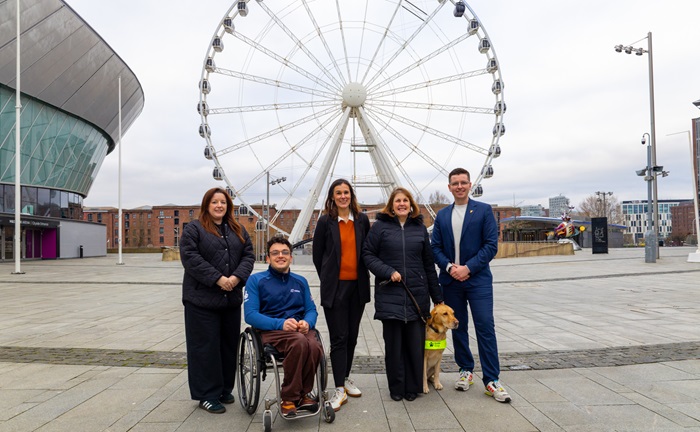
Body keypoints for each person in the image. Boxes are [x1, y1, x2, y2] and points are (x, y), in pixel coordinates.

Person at [430, 168, 511, 403]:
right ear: (449, 187)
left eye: (463, 182)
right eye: (455, 183)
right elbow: (435, 248)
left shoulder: (484, 211)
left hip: (478, 280)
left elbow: (490, 245)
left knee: (485, 326)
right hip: (450, 280)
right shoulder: (443, 215)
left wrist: (468, 268)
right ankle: (465, 370)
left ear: (470, 184)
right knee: (458, 326)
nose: (459, 186)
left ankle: (491, 379)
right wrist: (450, 268)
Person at [363, 187, 443, 402]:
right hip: (390, 293)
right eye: (397, 201)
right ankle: (396, 388)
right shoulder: (380, 228)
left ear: (411, 205)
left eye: (405, 201)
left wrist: (437, 296)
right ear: (391, 204)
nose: (401, 204)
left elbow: (428, 264)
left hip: (417, 296)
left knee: (415, 345)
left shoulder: (419, 229)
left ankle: (413, 386)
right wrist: (388, 271)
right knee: (394, 346)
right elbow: (368, 255)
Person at [180, 187, 255, 414]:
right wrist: (218, 279)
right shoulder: (194, 229)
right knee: (205, 347)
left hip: (230, 300)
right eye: (215, 202)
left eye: (223, 202)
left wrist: (235, 278)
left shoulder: (238, 229)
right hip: (201, 300)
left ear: (228, 206)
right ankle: (206, 394)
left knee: (227, 346)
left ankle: (224, 388)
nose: (219, 206)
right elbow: (190, 258)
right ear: (207, 205)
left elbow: (248, 255)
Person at [244, 237, 324, 418]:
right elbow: (250, 315)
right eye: (275, 253)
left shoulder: (300, 281)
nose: (280, 256)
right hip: (271, 330)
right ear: (268, 258)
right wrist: (280, 324)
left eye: (285, 253)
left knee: (314, 345)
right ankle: (289, 397)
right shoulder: (256, 281)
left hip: (298, 329)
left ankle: (304, 394)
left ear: (291, 257)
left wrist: (307, 323)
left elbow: (311, 310)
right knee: (299, 342)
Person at [312, 179, 371, 411]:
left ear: (351, 195)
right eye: (339, 193)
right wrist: (329, 278)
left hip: (358, 287)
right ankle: (338, 388)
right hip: (335, 289)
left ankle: (345, 378)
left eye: (346, 192)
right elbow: (318, 256)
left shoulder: (362, 220)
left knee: (352, 337)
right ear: (332, 196)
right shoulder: (325, 221)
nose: (343, 196)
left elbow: (367, 251)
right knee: (339, 337)